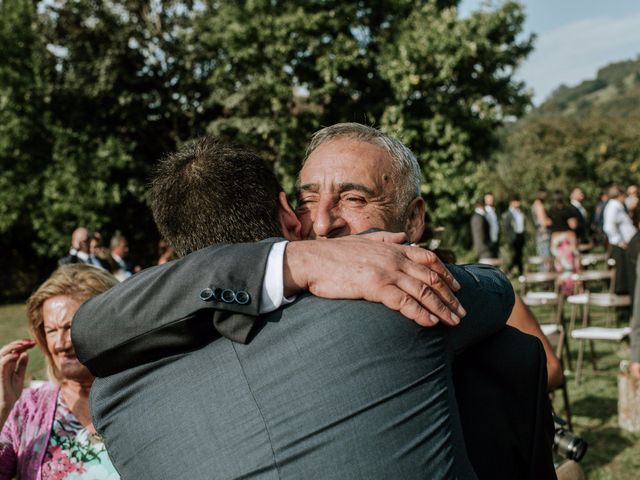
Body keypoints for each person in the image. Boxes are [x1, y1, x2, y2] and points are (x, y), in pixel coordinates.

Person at [74, 124, 556, 479]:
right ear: (288, 213)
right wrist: (297, 262)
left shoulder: (115, 389)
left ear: (413, 220)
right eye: (308, 200)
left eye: (353, 198)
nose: (323, 225)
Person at [0, 264, 119, 479]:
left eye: (71, 327)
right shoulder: (27, 408)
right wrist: (2, 408)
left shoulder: (141, 394)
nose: (61, 344)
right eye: (51, 331)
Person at [603, 185, 637, 295]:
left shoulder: (617, 206)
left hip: (624, 243)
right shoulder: (614, 207)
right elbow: (609, 226)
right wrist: (619, 241)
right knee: (622, 274)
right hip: (620, 245)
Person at [548, 190, 579, 295]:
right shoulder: (568, 210)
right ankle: (570, 288)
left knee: (559, 265)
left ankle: (560, 289)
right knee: (570, 265)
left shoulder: (550, 210)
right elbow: (573, 225)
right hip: (567, 239)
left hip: (555, 240)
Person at [502, 194, 526, 276]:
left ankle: (519, 272)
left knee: (519, 255)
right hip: (513, 237)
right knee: (516, 255)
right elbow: (507, 228)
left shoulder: (520, 212)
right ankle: (512, 270)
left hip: (520, 236)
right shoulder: (507, 214)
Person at [531, 190, 552, 270]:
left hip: (540, 235)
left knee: (543, 258)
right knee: (545, 260)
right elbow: (543, 222)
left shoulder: (535, 205)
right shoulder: (539, 206)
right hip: (544, 235)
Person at [484, 193, 500, 257]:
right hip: (489, 241)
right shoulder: (484, 212)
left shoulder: (495, 211)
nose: (491, 200)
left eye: (492, 199)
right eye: (489, 199)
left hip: (495, 240)